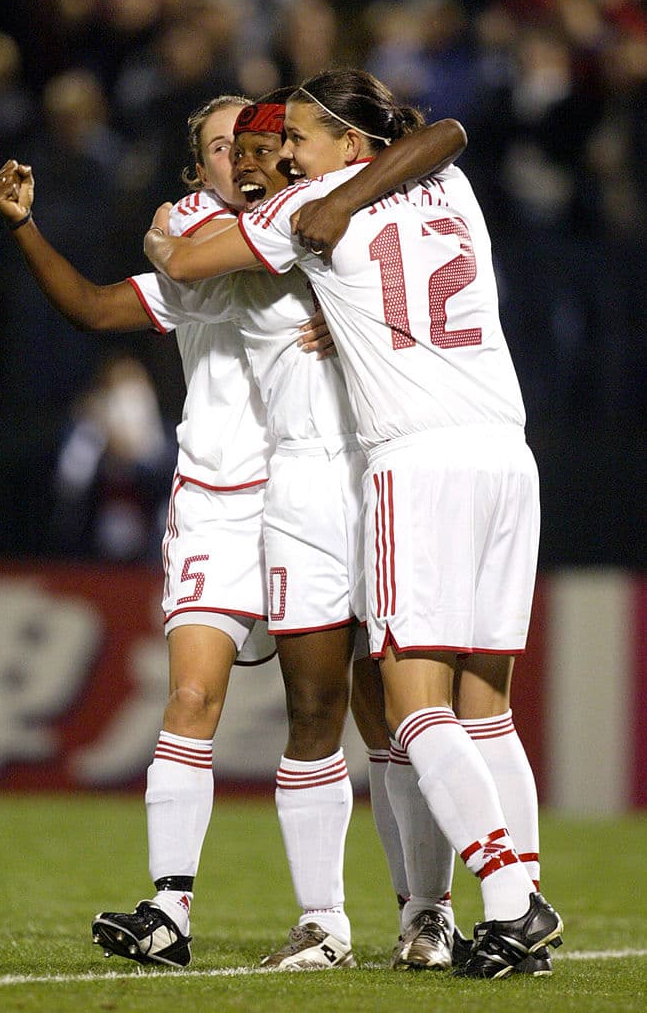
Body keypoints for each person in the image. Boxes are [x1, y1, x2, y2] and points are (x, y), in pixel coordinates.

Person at [0, 91, 466, 971]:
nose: (244, 153)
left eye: (260, 138)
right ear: (198, 167)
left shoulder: (308, 221)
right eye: (222, 145)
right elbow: (97, 308)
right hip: (222, 494)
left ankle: (424, 912)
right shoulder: (204, 241)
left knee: (380, 707)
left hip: (339, 481)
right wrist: (31, 227)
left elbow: (386, 214)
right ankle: (185, 909)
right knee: (212, 699)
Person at [141, 67, 564, 980]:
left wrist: (172, 228)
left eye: (295, 135)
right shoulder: (441, 179)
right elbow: (445, 129)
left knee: (413, 712)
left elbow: (180, 261)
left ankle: (507, 899)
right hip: (507, 450)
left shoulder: (295, 216)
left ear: (349, 143)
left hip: (413, 460)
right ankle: (520, 902)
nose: (282, 153)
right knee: (485, 707)